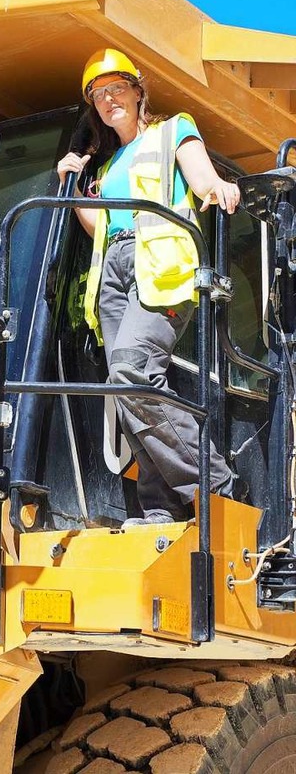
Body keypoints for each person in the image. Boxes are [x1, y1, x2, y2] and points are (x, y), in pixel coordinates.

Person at [57, 48, 241, 527]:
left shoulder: (172, 129)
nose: (109, 99)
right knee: (123, 391)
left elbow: (200, 175)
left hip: (158, 264)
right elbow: (100, 229)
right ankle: (162, 505)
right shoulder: (105, 164)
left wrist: (217, 186)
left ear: (139, 93)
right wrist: (75, 186)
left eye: (118, 88)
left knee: (132, 372)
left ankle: (216, 486)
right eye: (99, 95)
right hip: (113, 272)